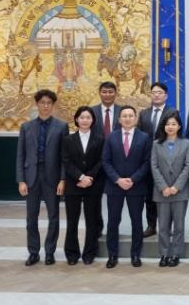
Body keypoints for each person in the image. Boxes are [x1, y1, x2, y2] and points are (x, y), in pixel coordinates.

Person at [16, 89, 69, 266]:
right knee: (31, 218)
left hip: (52, 177)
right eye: (42, 103)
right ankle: (33, 252)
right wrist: (21, 180)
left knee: (53, 216)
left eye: (49, 103)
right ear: (37, 104)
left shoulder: (61, 126)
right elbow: (20, 155)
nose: (45, 106)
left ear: (53, 105)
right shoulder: (26, 127)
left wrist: (62, 179)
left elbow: (64, 156)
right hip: (31, 176)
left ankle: (50, 251)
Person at [103, 105, 152, 268]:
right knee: (113, 221)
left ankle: (136, 254)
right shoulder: (111, 137)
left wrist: (133, 179)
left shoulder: (144, 137)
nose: (127, 118)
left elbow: (147, 162)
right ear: (119, 119)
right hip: (114, 186)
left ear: (135, 118)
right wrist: (117, 180)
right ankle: (112, 254)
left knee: (136, 221)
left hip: (136, 186)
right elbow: (106, 161)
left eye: (131, 115)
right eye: (124, 116)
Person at [61, 106, 105, 265]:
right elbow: (66, 161)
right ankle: (72, 253)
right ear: (76, 120)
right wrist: (80, 177)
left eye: (88, 117)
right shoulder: (68, 139)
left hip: (93, 185)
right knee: (72, 221)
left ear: (93, 120)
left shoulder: (100, 139)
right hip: (74, 185)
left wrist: (89, 178)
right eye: (82, 117)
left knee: (92, 221)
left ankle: (89, 253)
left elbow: (101, 161)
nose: (85, 120)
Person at [151, 110, 189, 268]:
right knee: (163, 226)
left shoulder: (186, 143)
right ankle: (164, 253)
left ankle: (175, 254)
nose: (170, 126)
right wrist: (163, 187)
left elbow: (187, 166)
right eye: (167, 124)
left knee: (179, 226)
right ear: (163, 126)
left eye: (174, 124)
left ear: (179, 126)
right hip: (161, 192)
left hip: (179, 191)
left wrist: (176, 186)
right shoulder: (156, 144)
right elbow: (154, 166)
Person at [137, 82, 175, 238]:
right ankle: (151, 225)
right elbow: (139, 136)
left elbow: (175, 135)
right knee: (149, 195)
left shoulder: (172, 112)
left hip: (166, 160)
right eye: (153, 92)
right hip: (147, 160)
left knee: (167, 194)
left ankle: (167, 226)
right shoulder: (144, 114)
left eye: (160, 92)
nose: (156, 95)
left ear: (165, 96)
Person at [90, 81, 122, 237]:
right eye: (104, 91)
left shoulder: (123, 111)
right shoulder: (91, 111)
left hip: (117, 163)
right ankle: (97, 228)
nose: (107, 95)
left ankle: (113, 229)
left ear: (116, 93)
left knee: (115, 200)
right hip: (96, 162)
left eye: (110, 92)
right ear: (99, 93)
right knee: (95, 198)